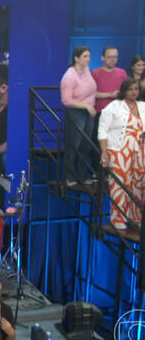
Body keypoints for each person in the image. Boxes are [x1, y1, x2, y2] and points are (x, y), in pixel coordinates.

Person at [99, 78, 145, 231]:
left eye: (136, 89)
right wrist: (104, 152)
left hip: (139, 150)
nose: (134, 92)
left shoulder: (143, 106)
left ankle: (135, 217)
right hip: (119, 150)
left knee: (138, 184)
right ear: (124, 90)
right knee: (120, 184)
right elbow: (103, 131)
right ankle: (118, 219)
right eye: (131, 89)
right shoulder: (113, 107)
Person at [60, 46, 97, 186]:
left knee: (85, 145)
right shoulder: (69, 76)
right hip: (76, 112)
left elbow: (91, 90)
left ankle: (82, 175)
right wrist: (86, 106)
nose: (88, 59)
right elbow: (66, 100)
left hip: (88, 112)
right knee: (74, 144)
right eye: (85, 56)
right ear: (76, 58)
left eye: (89, 56)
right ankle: (70, 176)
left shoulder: (86, 71)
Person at [92, 46, 128, 114]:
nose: (112, 59)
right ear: (102, 58)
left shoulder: (122, 73)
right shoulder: (94, 73)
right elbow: (90, 94)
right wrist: (110, 95)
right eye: (109, 57)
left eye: (115, 57)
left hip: (119, 112)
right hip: (100, 111)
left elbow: (127, 92)